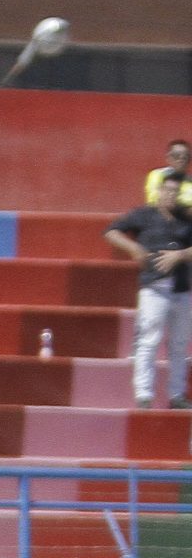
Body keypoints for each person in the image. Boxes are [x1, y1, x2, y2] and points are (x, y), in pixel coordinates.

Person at [105, 174, 192, 410]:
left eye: (175, 192)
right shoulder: (144, 214)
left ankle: (177, 395)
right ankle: (144, 394)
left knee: (180, 343)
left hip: (183, 288)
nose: (170, 196)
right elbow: (112, 231)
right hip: (154, 287)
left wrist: (181, 255)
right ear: (159, 191)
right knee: (149, 340)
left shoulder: (186, 218)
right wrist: (133, 248)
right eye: (167, 191)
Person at [141, 138, 189, 208]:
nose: (181, 159)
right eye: (176, 155)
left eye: (185, 157)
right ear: (168, 158)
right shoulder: (157, 175)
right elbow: (154, 200)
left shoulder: (190, 180)